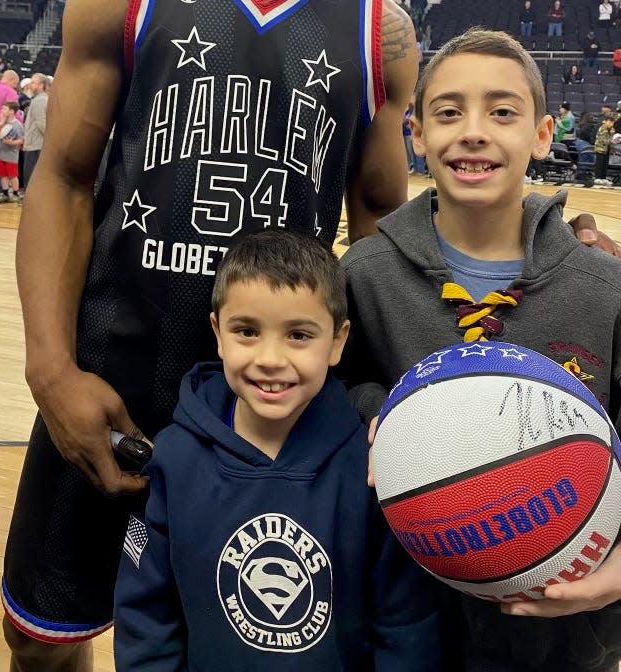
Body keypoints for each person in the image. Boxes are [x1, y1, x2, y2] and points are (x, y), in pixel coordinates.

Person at [2, 0, 420, 671]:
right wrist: (49, 370)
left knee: (250, 651)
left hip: (276, 412)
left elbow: (390, 233)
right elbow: (61, 178)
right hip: (112, 380)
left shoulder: (378, 27)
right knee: (40, 638)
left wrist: (525, 230)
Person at [341, 28, 621, 672]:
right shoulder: (366, 275)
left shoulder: (602, 287)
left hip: (565, 637)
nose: (473, 131)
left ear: (543, 134)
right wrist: (378, 412)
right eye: (448, 112)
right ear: (415, 133)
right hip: (404, 625)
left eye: (502, 111)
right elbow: (335, 382)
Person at [113, 229, 442, 671]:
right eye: (247, 331)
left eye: (299, 335)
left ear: (338, 341)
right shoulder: (174, 459)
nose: (270, 358)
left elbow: (405, 625)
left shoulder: (371, 467)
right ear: (217, 332)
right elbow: (145, 614)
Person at [21, 73, 48, 189]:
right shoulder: (40, 99)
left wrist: (48, 140)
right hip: (37, 143)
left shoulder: (40, 100)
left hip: (36, 144)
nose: (30, 85)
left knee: (31, 176)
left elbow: (42, 123)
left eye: (33, 82)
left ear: (41, 85)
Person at [0, 101, 24, 200]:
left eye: (4, 109)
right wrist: (1, 122)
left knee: (13, 175)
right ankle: (5, 193)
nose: (2, 111)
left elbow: (21, 140)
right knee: (3, 175)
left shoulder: (18, 125)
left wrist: (12, 143)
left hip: (11, 155)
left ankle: (16, 193)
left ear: (11, 111)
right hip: (0, 153)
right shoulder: (2, 122)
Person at [594, 114, 616, 185]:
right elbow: (603, 140)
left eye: (612, 123)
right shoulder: (602, 129)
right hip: (600, 148)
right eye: (609, 122)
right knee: (600, 163)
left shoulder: (612, 130)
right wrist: (612, 141)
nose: (611, 124)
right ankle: (597, 178)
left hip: (608, 149)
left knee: (605, 164)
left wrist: (614, 143)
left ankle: (603, 177)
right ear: (605, 121)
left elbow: (612, 139)